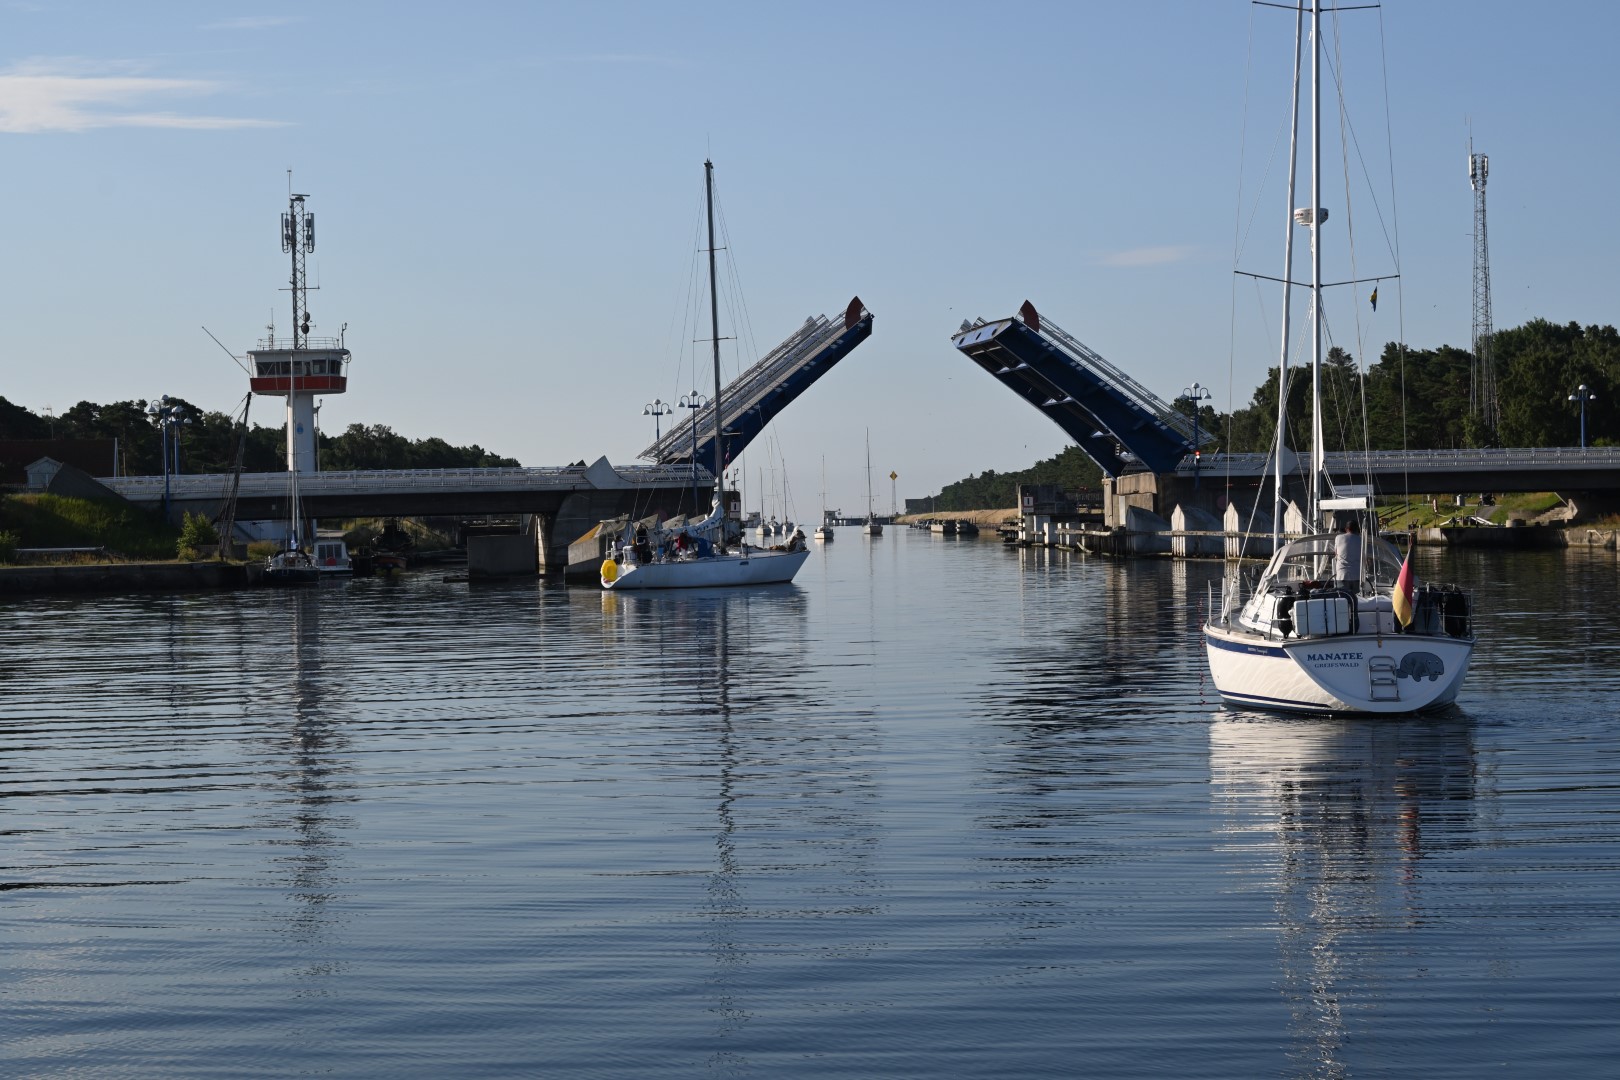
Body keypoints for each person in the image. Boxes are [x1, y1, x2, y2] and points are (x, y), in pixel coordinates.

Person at [1332, 518, 1362, 590]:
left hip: (1342, 574)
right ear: (1357, 529)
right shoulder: (1360, 540)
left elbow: (1336, 553)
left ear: (1346, 529)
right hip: (1356, 575)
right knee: (1355, 596)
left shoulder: (1338, 538)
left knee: (1342, 596)